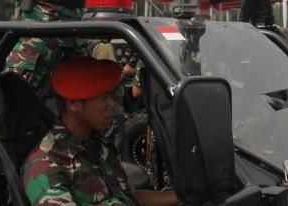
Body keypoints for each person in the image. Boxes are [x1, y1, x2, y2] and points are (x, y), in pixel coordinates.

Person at [22, 57, 178, 206]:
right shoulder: (46, 165)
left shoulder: (96, 145)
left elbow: (129, 196)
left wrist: (181, 196)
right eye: (103, 98)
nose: (111, 105)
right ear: (73, 104)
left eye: (110, 96)